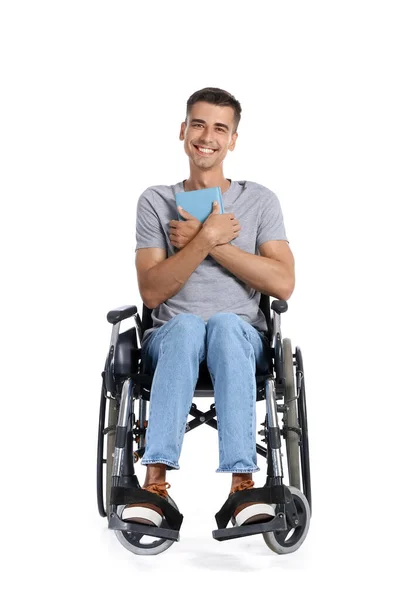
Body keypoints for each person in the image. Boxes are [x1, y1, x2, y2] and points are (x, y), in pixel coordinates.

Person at [122, 87, 295, 528]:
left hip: (238, 337)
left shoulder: (259, 200)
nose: (207, 136)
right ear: (183, 131)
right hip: (170, 339)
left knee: (220, 324)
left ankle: (243, 487)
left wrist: (211, 241)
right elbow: (152, 293)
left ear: (233, 139)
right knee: (184, 327)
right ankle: (154, 486)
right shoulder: (156, 200)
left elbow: (283, 282)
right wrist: (205, 238)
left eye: (220, 128)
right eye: (198, 124)